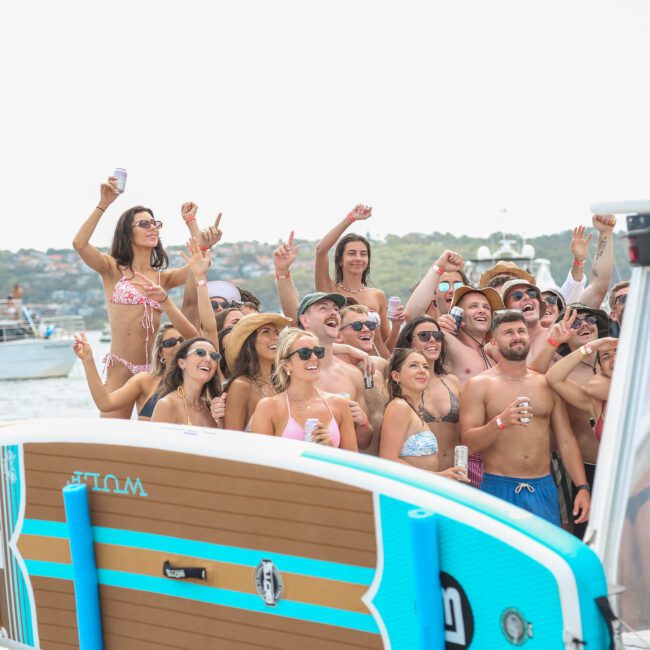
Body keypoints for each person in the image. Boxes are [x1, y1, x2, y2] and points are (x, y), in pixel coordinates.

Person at [72, 178, 201, 418]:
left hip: (155, 371)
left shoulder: (164, 278)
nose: (153, 228)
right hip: (121, 367)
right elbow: (79, 244)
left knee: (154, 440)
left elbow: (198, 263)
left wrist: (191, 222)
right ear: (127, 232)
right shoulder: (111, 269)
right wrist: (103, 204)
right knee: (111, 439)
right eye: (144, 224)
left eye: (155, 223)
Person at [460, 310, 590, 526]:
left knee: (543, 557)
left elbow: (566, 441)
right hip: (498, 487)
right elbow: (468, 443)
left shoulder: (546, 383)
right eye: (508, 332)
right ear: (494, 341)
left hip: (543, 487)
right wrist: (500, 422)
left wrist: (582, 487)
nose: (517, 336)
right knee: (500, 558)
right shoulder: (479, 385)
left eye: (521, 331)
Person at [250, 328, 358, 450]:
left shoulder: (339, 404)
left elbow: (352, 461)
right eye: (304, 353)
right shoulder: (269, 407)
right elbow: (261, 463)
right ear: (287, 365)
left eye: (318, 352)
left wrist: (331, 449)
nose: (314, 358)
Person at [296, 292, 374, 449]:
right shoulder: (290, 370)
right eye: (323, 308)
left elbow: (363, 443)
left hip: (337, 470)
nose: (333, 312)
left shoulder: (352, 374)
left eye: (336, 309)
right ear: (305, 320)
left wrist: (363, 423)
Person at [379, 348, 468, 481]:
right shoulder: (399, 407)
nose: (422, 370)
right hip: (407, 492)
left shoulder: (413, 410)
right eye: (413, 365)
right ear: (396, 376)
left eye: (425, 367)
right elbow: (388, 460)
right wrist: (438, 476)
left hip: (421, 490)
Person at [314, 208, 392, 357]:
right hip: (341, 363)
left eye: (363, 254)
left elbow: (386, 342)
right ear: (340, 260)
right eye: (351, 253)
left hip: (376, 364)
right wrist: (350, 219)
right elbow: (320, 251)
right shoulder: (329, 290)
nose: (358, 258)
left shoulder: (377, 295)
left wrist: (396, 326)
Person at [395, 317, 462, 470]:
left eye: (438, 336)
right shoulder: (398, 383)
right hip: (420, 482)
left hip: (455, 478)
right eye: (424, 336)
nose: (433, 340)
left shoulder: (453, 381)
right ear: (409, 342)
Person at [335, 304, 389, 455]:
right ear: (338, 335)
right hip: (357, 464)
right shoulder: (333, 373)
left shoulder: (378, 364)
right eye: (357, 326)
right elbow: (311, 346)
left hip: (387, 463)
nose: (366, 329)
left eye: (370, 324)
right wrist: (348, 349)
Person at [224, 312, 291, 431]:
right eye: (266, 332)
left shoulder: (283, 384)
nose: (275, 337)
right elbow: (232, 439)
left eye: (277, 333)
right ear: (250, 343)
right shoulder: (241, 385)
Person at [151, 337, 226, 427]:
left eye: (214, 356)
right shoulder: (167, 405)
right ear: (182, 363)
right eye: (200, 352)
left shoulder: (210, 408)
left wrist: (221, 421)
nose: (208, 359)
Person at [404, 250, 469, 321]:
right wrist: (439, 266)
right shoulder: (430, 328)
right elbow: (411, 315)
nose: (451, 290)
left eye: (458, 285)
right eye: (444, 286)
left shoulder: (476, 325)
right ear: (433, 295)